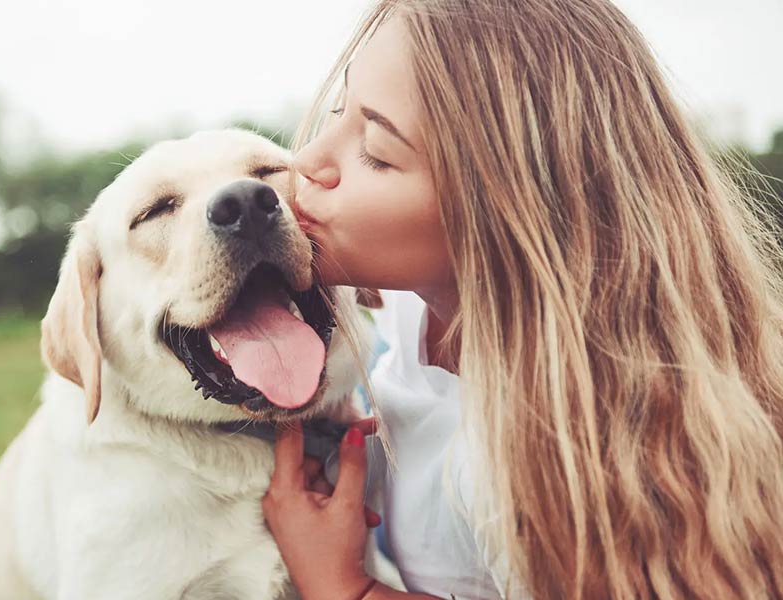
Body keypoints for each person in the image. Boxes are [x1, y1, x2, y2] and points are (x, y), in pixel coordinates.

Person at [260, 1, 783, 599]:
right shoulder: (412, 311)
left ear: (501, 213)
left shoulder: (564, 454)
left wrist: (340, 586)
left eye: (376, 151)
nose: (308, 160)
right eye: (338, 109)